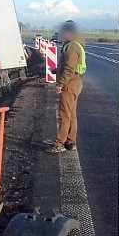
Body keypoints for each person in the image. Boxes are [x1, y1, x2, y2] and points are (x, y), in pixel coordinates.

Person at [45, 20, 86, 154]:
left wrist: (60, 84)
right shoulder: (76, 44)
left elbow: (70, 68)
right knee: (71, 115)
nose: (61, 34)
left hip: (69, 84)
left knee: (64, 116)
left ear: (69, 32)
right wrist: (57, 70)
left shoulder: (72, 46)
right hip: (74, 83)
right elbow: (70, 66)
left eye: (62, 32)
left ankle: (59, 144)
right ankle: (70, 142)